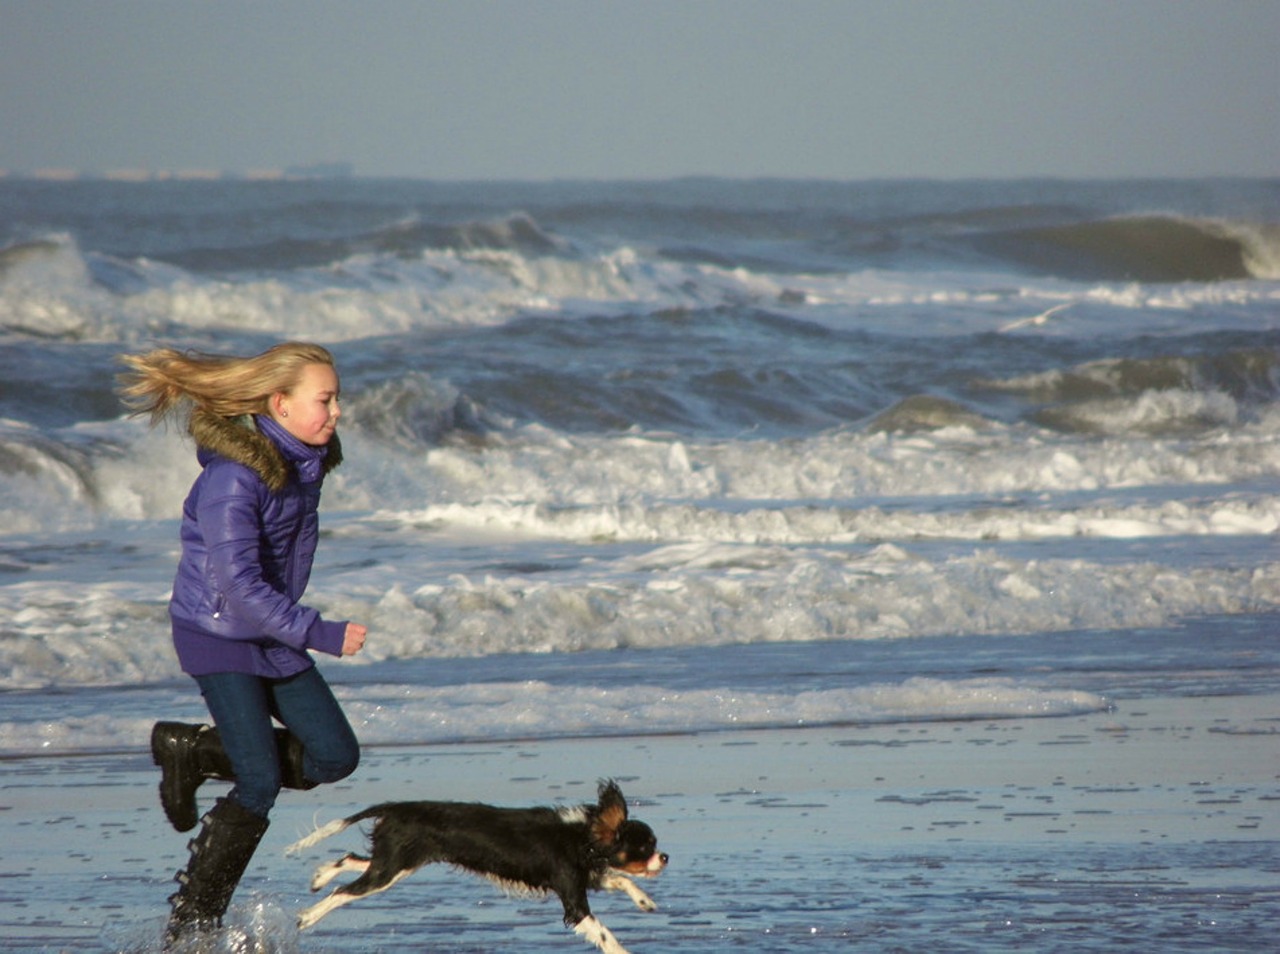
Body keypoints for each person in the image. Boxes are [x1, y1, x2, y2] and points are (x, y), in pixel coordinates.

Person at [118, 342, 367, 944]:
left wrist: (293, 629)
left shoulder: (302, 464)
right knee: (257, 782)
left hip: (269, 631)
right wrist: (319, 632)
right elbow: (238, 584)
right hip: (219, 634)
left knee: (335, 756)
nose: (336, 412)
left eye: (337, 398)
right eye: (325, 400)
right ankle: (193, 920)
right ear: (279, 404)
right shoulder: (234, 477)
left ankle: (195, 751)